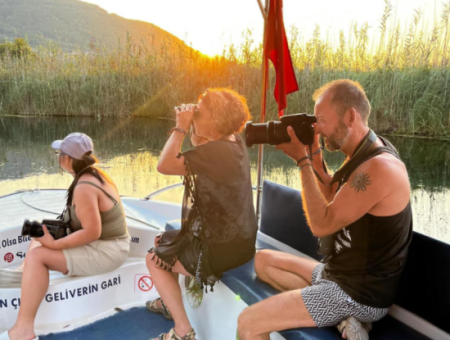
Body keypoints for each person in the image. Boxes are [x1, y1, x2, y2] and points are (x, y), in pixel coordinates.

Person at [237, 80, 413, 340]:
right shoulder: (359, 152)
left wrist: (302, 161)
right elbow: (331, 194)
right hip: (337, 273)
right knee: (262, 261)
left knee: (249, 322)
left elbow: (322, 224)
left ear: (350, 116)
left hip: (357, 294)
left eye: (321, 120)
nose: (316, 128)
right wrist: (315, 157)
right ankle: (344, 320)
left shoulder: (379, 168)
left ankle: (351, 314)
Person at [146, 88, 258, 340]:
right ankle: (169, 302)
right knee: (161, 240)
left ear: (216, 120)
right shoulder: (233, 141)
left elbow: (164, 165)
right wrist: (195, 121)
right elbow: (199, 144)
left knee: (153, 259)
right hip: (240, 241)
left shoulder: (217, 151)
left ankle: (182, 331)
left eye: (200, 112)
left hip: (220, 250)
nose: (195, 115)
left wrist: (181, 127)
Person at [1, 133, 130, 340]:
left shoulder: (85, 186)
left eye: (59, 153)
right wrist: (50, 236)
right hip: (104, 243)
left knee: (38, 255)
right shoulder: (93, 175)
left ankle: (23, 331)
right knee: (40, 234)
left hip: (109, 250)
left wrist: (55, 244)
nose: (58, 157)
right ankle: (22, 274)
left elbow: (92, 231)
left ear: (67, 159)